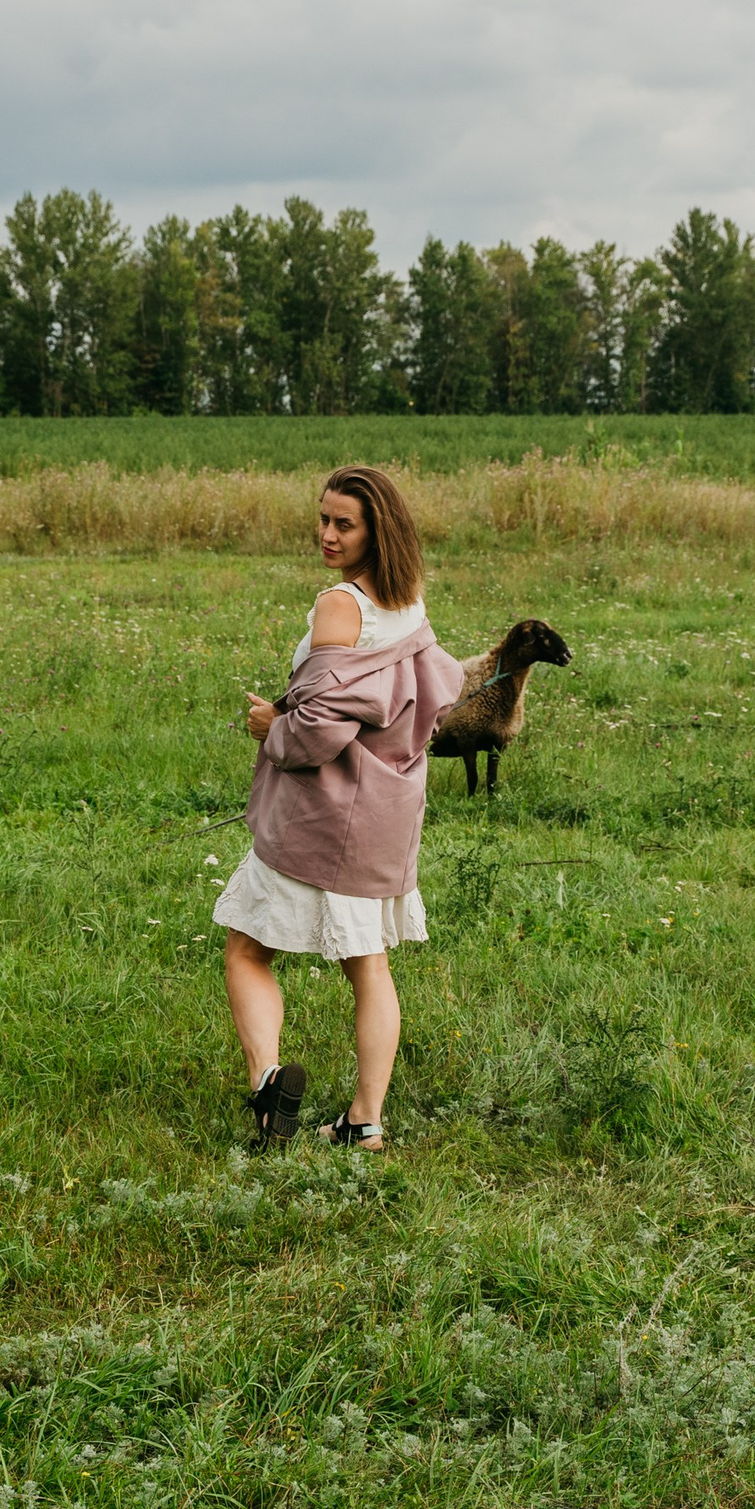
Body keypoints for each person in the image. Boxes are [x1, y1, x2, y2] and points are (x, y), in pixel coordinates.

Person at [213, 466, 463, 1151]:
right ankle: (365, 1120)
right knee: (370, 967)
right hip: (385, 813)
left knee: (244, 947)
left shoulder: (341, 605)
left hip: (324, 816)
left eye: (343, 523)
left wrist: (273, 728)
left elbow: (320, 727)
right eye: (322, 518)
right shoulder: (409, 600)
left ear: (375, 529)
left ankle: (268, 1083)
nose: (326, 533)